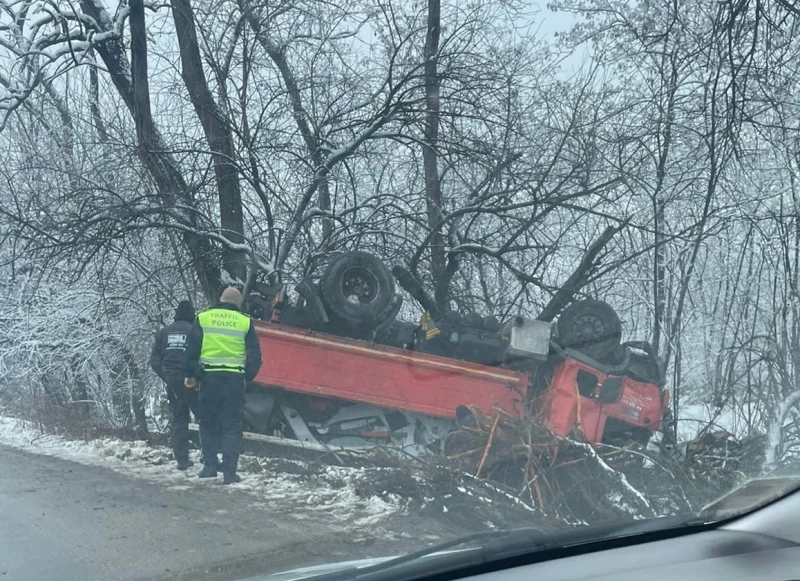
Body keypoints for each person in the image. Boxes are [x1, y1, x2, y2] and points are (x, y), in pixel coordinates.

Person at [184, 287, 262, 484]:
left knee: (208, 422)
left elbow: (191, 351)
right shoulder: (245, 321)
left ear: (221, 299)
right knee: (232, 426)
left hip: (209, 379)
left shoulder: (204, 318)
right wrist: (246, 377)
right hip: (234, 381)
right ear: (238, 302)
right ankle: (229, 473)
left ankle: (210, 466)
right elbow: (255, 356)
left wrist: (194, 374)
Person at [149, 300, 198, 471]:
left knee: (179, 420)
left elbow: (154, 361)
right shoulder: (195, 331)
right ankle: (209, 459)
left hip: (173, 383)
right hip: (193, 381)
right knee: (205, 419)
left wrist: (167, 376)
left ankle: (182, 460)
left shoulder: (164, 333)